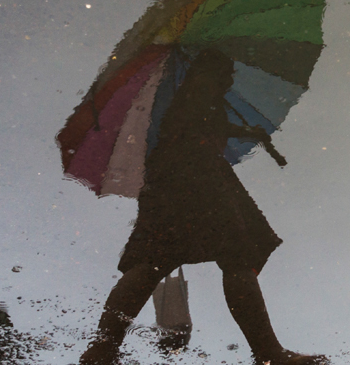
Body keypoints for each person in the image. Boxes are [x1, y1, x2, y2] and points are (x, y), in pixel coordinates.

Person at [80, 49, 322, 365]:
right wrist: (233, 132)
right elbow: (196, 126)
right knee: (235, 256)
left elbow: (196, 123)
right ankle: (268, 353)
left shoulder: (190, 94)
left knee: (153, 258)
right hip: (198, 175)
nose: (231, 78)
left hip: (171, 177)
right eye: (228, 71)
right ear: (212, 70)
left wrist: (245, 131)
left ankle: (103, 348)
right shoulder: (202, 87)